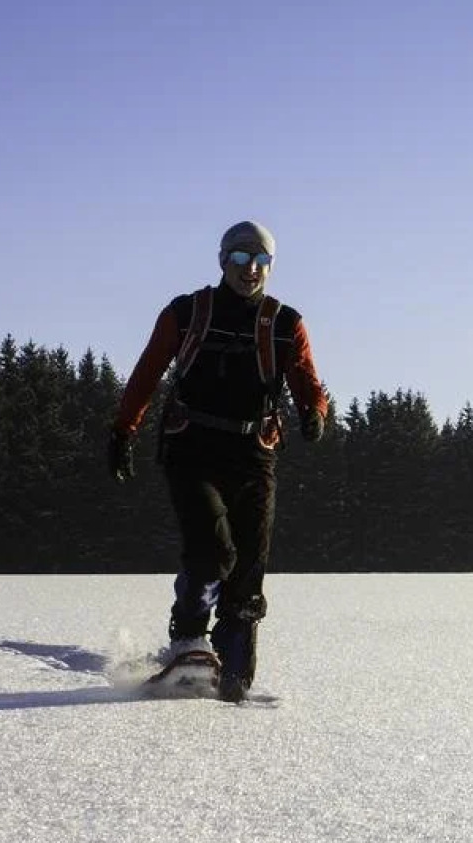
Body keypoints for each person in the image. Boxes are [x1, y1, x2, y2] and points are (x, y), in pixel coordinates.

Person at [107, 220, 328, 702]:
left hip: (255, 455)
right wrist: (124, 429)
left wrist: (315, 410)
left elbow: (306, 376)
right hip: (192, 449)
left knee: (247, 572)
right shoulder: (187, 313)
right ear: (223, 260)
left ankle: (233, 683)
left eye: (262, 262)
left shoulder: (284, 323)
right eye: (242, 260)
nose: (252, 271)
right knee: (212, 551)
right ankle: (187, 641)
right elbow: (147, 372)